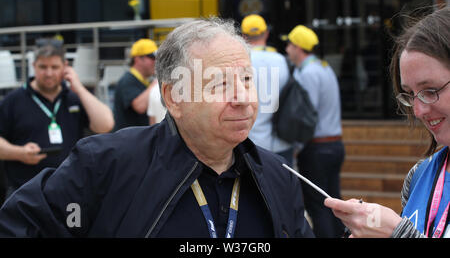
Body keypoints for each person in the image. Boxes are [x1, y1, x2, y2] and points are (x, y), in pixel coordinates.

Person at [0, 18, 314, 238]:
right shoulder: (106, 165)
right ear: (173, 97)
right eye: (219, 84)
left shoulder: (279, 176)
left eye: (246, 80)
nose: (243, 98)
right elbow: (18, 224)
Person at [325, 7, 450, 238]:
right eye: (409, 94)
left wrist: (398, 233)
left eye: (431, 90)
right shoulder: (419, 174)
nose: (419, 110)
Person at [0, 44, 114, 198]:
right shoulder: (13, 101)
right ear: (33, 66)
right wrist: (19, 153)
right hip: (24, 193)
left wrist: (78, 87)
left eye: (54, 67)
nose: (48, 73)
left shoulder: (74, 98)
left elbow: (105, 125)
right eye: (43, 67)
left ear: (65, 67)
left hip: (69, 191)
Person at [285, 25, 345, 238]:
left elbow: (305, 117)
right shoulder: (324, 67)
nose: (286, 49)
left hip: (316, 148)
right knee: (333, 204)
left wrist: (296, 148)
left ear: (298, 47)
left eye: (289, 44)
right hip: (335, 145)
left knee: (319, 207)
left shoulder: (307, 74)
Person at [240, 14, 294, 166]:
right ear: (267, 34)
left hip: (249, 143)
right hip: (281, 142)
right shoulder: (282, 60)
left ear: (243, 36)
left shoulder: (242, 63)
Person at [113, 38, 157, 131]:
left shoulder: (142, 81)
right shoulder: (128, 80)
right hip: (128, 141)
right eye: (152, 58)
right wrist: (156, 83)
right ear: (138, 59)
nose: (155, 62)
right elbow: (139, 107)